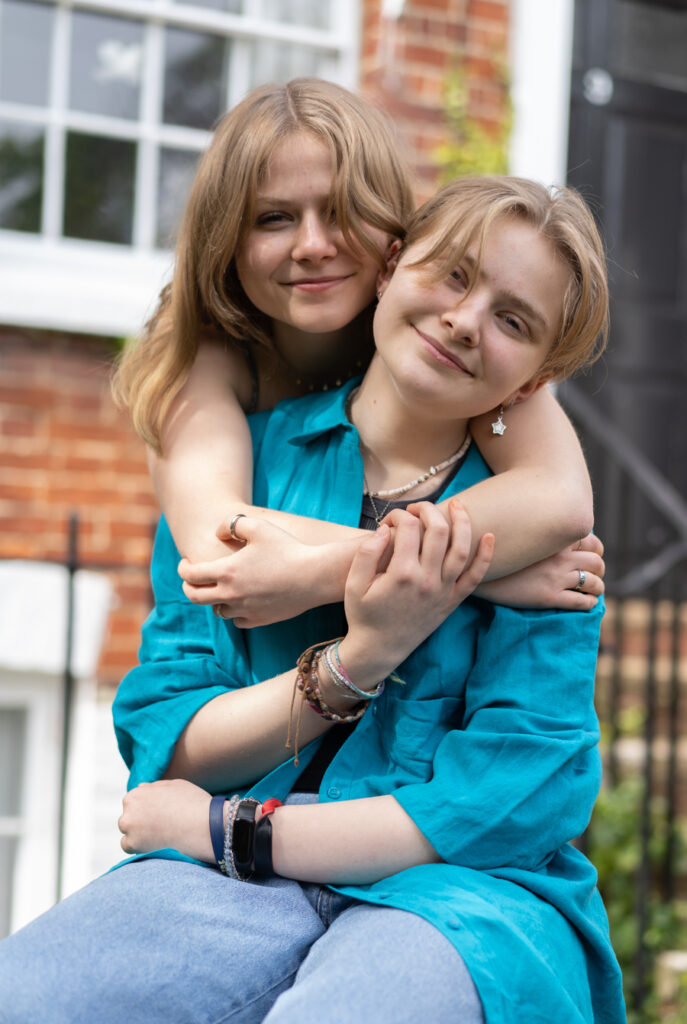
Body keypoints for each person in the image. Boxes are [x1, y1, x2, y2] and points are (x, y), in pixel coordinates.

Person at [0, 177, 624, 1023]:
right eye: (452, 276)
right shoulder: (241, 477)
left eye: (513, 320)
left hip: (463, 899)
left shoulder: (537, 529)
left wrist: (234, 831)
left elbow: (509, 797)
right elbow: (170, 742)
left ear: (535, 377)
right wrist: (355, 654)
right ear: (394, 265)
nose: (466, 320)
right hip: (228, 885)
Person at [112, 78, 600, 624]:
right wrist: (484, 575)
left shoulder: (438, 332)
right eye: (274, 218)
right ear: (223, 237)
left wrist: (338, 567)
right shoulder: (204, 356)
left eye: (342, 210)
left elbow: (559, 498)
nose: (314, 247)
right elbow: (222, 548)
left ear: (393, 243)